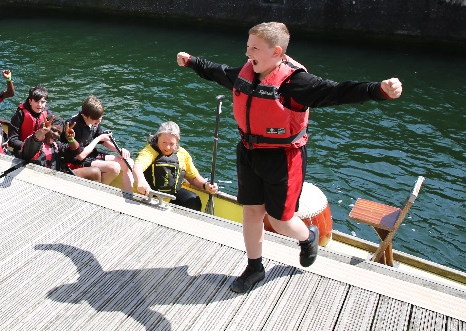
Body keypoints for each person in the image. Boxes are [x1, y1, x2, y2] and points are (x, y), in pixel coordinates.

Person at [176, 22, 403, 294]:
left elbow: (337, 91)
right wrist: (192, 62)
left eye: (255, 48)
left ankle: (308, 237)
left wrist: (378, 90)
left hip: (282, 158)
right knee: (251, 212)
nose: (248, 53)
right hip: (248, 152)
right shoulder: (248, 73)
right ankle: (254, 267)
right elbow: (219, 72)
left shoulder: (296, 83)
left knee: (281, 221)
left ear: (277, 52)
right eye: (248, 46)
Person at [132, 121, 219, 211]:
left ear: (177, 142)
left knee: (193, 200)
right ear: (158, 138)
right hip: (146, 196)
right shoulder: (149, 151)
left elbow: (193, 178)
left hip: (169, 198)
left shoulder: (182, 154)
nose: (167, 147)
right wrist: (141, 181)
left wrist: (206, 185)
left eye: (171, 144)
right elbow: (137, 167)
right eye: (164, 142)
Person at [61, 95, 134, 191]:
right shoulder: (73, 125)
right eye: (96, 120)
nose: (99, 122)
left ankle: (130, 194)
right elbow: (80, 155)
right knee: (114, 168)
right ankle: (98, 192)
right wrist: (98, 138)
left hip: (90, 154)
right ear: (85, 116)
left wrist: (120, 150)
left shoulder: (94, 121)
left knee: (128, 161)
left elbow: (103, 141)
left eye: (101, 118)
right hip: (75, 160)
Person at [20, 115, 101, 182]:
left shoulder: (56, 145)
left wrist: (71, 139)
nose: (56, 134)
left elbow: (76, 150)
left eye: (59, 133)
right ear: (44, 126)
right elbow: (34, 143)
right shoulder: (33, 142)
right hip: (36, 180)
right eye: (53, 130)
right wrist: (42, 131)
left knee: (95, 172)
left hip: (56, 179)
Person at [7, 85, 52, 156]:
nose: (40, 105)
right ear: (30, 101)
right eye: (36, 101)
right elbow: (12, 140)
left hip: (41, 151)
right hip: (22, 150)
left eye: (42, 102)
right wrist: (28, 147)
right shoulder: (20, 115)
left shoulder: (48, 115)